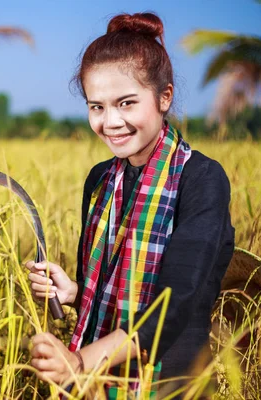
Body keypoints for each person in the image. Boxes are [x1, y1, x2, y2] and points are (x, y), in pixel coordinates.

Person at [25, 12, 235, 399]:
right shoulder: (101, 180)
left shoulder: (202, 180)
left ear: (164, 97)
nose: (111, 122)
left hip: (172, 385)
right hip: (100, 385)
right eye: (97, 107)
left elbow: (172, 304)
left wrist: (80, 362)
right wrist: (72, 291)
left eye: (126, 103)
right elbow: (108, 286)